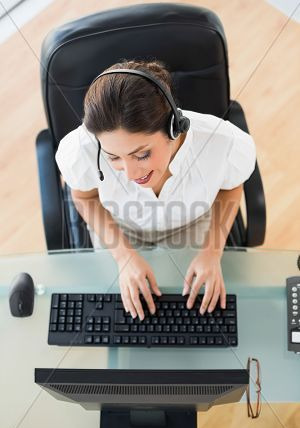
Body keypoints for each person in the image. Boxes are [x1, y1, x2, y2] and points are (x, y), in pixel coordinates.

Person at [55, 59, 256, 321]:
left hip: (191, 225)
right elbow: (83, 196)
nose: (130, 173)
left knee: (193, 314)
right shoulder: (82, 149)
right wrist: (124, 257)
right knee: (120, 316)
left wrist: (212, 251)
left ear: (174, 126)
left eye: (142, 154)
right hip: (119, 229)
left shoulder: (222, 142)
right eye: (113, 157)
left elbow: (231, 189)